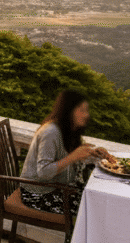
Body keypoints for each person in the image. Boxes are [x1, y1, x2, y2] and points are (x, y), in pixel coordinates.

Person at [19, 90, 106, 220]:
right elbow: (43, 172)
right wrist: (73, 157)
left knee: (99, 198)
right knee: (93, 209)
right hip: (37, 193)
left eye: (86, 110)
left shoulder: (68, 130)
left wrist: (96, 154)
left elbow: (74, 155)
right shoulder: (51, 133)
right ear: (68, 111)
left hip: (58, 186)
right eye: (81, 110)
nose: (86, 115)